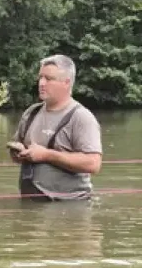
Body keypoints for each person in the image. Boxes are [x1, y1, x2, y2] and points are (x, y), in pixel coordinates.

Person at [9, 54, 103, 201]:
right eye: (40, 77)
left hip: (70, 207)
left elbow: (93, 164)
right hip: (31, 206)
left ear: (66, 82)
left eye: (49, 79)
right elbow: (18, 153)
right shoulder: (31, 112)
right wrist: (18, 153)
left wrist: (47, 155)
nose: (41, 83)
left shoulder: (81, 117)